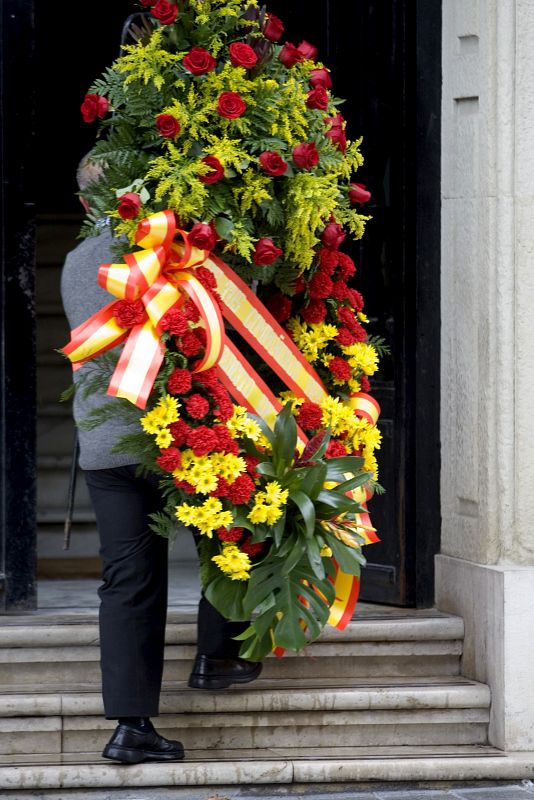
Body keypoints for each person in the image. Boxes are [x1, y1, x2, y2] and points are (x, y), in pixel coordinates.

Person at [60, 158, 261, 765]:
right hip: (178, 432)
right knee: (231, 533)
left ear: (84, 204)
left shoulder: (75, 261)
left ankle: (131, 726)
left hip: (106, 444)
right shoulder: (172, 254)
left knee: (128, 582)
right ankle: (217, 654)